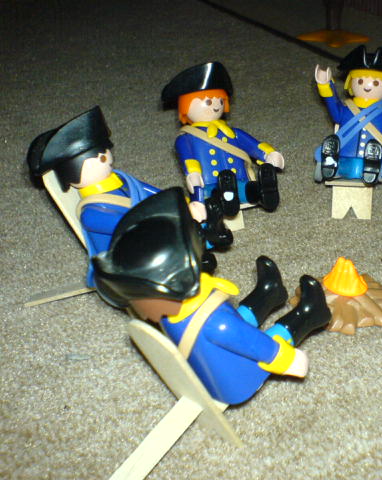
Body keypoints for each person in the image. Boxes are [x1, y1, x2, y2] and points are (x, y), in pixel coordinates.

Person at [92, 188, 331, 405]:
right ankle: (309, 315)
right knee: (260, 337)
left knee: (234, 321)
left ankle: (269, 295)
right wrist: (289, 360)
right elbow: (259, 347)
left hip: (213, 365)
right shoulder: (218, 323)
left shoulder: (173, 314)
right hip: (240, 380)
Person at [27, 106, 161, 287]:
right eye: (99, 157)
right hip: (129, 261)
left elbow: (150, 191)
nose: (107, 158)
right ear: (71, 173)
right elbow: (125, 226)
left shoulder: (122, 180)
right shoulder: (91, 213)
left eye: (105, 153)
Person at [162, 62, 283, 223]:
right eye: (208, 102)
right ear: (186, 107)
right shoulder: (186, 139)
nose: (216, 106)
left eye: (219, 101)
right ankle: (227, 197)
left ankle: (262, 192)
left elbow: (253, 145)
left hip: (239, 180)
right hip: (210, 185)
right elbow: (189, 161)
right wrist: (193, 177)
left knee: (246, 189)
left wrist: (268, 154)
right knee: (217, 194)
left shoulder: (232, 132)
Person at [315, 45, 382, 184]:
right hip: (345, 155)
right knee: (338, 154)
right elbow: (335, 112)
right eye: (360, 81)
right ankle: (332, 162)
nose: (367, 86)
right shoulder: (347, 109)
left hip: (375, 161)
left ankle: (370, 166)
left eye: (376, 82)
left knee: (375, 156)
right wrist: (325, 85)